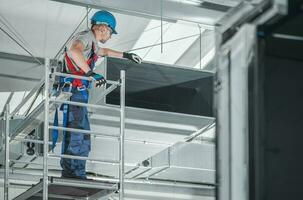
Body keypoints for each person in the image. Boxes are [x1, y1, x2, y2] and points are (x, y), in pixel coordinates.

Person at [57, 10, 142, 179]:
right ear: (103, 28)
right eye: (110, 33)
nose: (110, 36)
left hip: (78, 92)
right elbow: (74, 51)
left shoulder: (92, 42)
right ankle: (74, 173)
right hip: (76, 90)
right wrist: (90, 73)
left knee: (79, 131)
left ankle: (72, 171)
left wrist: (126, 55)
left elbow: (104, 52)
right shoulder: (86, 36)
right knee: (78, 132)